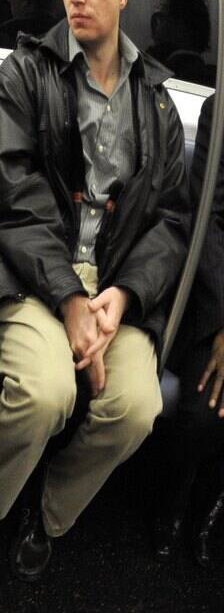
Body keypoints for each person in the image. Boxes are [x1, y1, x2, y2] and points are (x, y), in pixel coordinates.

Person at [0, 0, 187, 585]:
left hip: (118, 283)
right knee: (44, 394)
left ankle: (49, 513)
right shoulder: (25, 73)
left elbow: (169, 220)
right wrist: (71, 300)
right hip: (36, 270)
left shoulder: (155, 102)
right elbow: (14, 200)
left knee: (136, 408)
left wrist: (121, 296)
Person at [154, 93, 224, 566]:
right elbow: (207, 220)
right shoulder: (221, 109)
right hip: (215, 292)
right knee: (206, 410)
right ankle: (174, 498)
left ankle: (211, 505)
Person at [149, 0, 213, 85]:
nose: (157, 24)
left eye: (163, 16)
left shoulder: (160, 74)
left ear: (179, 25)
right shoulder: (208, 76)